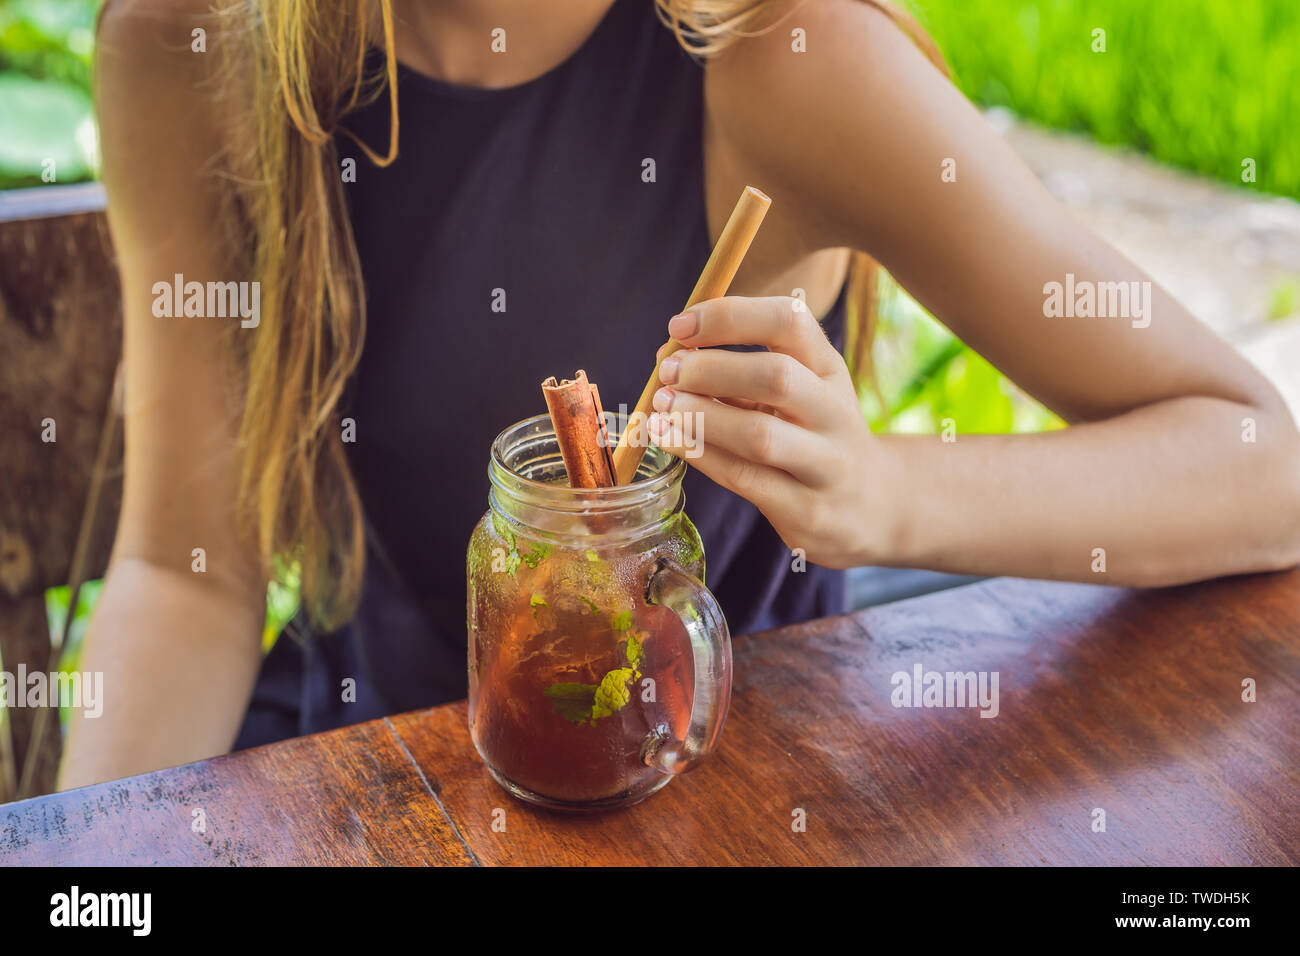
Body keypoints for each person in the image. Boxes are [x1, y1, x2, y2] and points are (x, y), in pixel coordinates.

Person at [60, 0, 1300, 789]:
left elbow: (1260, 463)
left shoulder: (776, 54)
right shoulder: (190, 41)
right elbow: (187, 574)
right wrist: (84, 874)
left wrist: (886, 492)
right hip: (386, 775)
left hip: (728, 787)